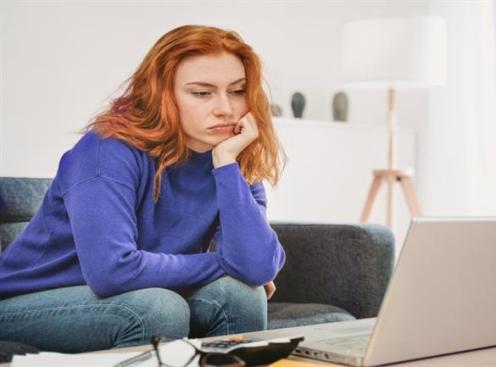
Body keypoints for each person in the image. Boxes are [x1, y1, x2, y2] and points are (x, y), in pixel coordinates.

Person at [0, 24, 287, 353]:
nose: (225, 108)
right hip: (20, 304)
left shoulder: (230, 156)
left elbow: (258, 267)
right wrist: (226, 264)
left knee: (242, 296)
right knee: (158, 308)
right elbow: (113, 271)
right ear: (163, 95)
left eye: (237, 91)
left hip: (131, 291)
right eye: (201, 93)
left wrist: (226, 165)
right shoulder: (106, 151)